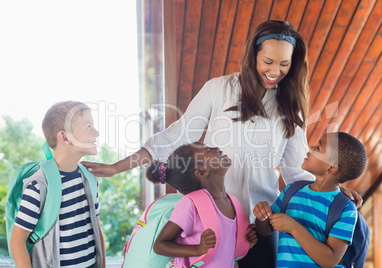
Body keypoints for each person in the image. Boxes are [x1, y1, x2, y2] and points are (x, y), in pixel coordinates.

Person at [82, 20, 361, 267]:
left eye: (284, 64)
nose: (275, 71)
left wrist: (335, 190)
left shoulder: (290, 108)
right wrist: (118, 167)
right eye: (268, 61)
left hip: (260, 222)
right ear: (253, 55)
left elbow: (296, 171)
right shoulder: (219, 89)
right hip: (210, 218)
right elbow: (178, 135)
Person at [10, 101, 106, 268]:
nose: (96, 133)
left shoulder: (89, 180)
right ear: (64, 137)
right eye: (89, 126)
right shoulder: (39, 186)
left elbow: (97, 229)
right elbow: (17, 241)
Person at [253, 132, 367, 267]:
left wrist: (294, 228)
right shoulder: (291, 191)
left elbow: (330, 260)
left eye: (318, 148)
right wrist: (262, 217)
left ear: (331, 167)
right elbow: (265, 230)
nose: (311, 148)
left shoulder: (345, 209)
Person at [147, 142, 257, 267]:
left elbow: (225, 250)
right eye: (208, 149)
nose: (216, 148)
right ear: (201, 172)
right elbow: (160, 245)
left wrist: (246, 242)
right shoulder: (190, 204)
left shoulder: (233, 202)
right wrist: (198, 249)